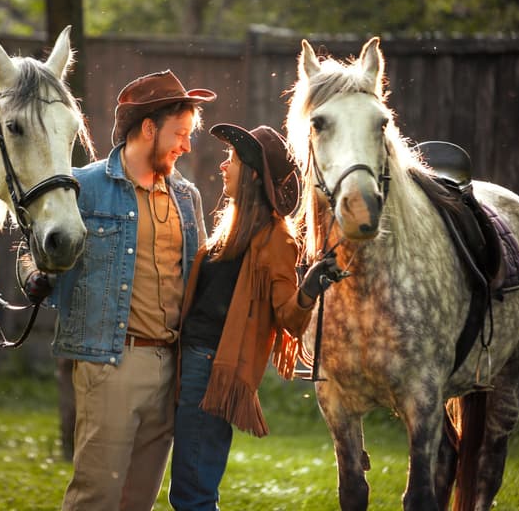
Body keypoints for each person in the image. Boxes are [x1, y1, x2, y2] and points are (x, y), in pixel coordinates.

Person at [18, 70, 216, 510]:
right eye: (180, 134)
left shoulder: (186, 196)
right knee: (97, 497)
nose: (186, 145)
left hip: (170, 366)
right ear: (149, 128)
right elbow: (30, 247)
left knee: (138, 500)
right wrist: (36, 276)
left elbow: (201, 276)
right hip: (110, 363)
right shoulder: (83, 186)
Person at [168, 124, 339, 511]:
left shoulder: (275, 237)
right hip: (191, 363)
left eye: (232, 160)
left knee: (193, 494)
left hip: (215, 371)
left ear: (254, 175)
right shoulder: (231, 230)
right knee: (190, 487)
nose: (223, 167)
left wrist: (309, 288)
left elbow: (289, 319)